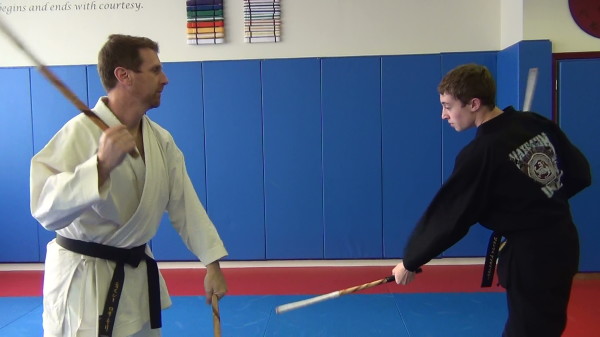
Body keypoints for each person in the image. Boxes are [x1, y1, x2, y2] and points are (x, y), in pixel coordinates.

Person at [30, 34, 228, 337]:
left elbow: (185, 205)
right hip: (85, 287)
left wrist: (211, 264)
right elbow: (44, 209)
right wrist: (100, 166)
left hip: (136, 282)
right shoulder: (79, 133)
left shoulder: (161, 140)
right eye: (155, 70)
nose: (165, 79)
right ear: (124, 75)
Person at [392, 64, 591, 337]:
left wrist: (410, 260)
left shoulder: (481, 153)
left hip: (532, 257)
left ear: (473, 103)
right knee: (546, 326)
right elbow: (580, 173)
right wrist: (542, 201)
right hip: (564, 242)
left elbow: (451, 214)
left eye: (448, 106)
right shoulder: (534, 123)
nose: (443, 115)